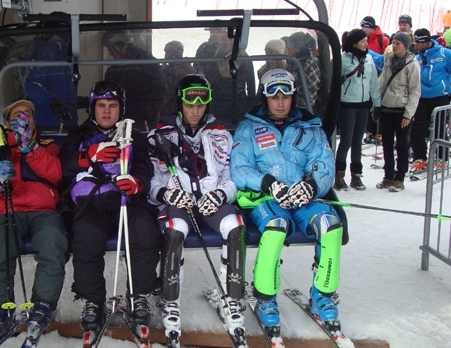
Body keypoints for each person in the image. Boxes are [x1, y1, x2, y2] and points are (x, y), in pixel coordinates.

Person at [229, 69, 342, 327]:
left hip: (302, 198)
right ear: (264, 98)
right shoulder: (249, 128)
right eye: (274, 97)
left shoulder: (310, 127)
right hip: (266, 198)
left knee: (330, 225)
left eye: (286, 97)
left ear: (293, 97)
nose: (280, 103)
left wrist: (311, 186)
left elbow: (324, 164)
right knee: (275, 227)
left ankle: (323, 295)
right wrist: (268, 184)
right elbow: (239, 168)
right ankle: (265, 297)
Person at [147, 74, 246, 334]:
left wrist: (221, 195)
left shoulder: (221, 135)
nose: (195, 110)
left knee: (234, 224)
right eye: (189, 104)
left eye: (201, 104)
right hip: (180, 204)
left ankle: (231, 297)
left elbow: (231, 178)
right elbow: (152, 182)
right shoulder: (160, 135)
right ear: (179, 103)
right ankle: (170, 299)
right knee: (174, 228)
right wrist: (167, 194)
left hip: (210, 203)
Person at [59, 81, 161, 331]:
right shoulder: (79, 135)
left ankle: (139, 294)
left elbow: (145, 169)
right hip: (93, 202)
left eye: (113, 106)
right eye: (101, 105)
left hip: (128, 201)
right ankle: (93, 299)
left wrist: (137, 183)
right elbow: (63, 169)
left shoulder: (133, 135)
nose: (106, 111)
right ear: (92, 108)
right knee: (86, 235)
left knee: (144, 230)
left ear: (121, 109)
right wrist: (88, 156)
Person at [0, 99, 69, 348]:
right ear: (7, 123)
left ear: (33, 121)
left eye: (27, 115)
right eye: (17, 116)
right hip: (8, 210)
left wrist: (30, 147)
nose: (22, 119)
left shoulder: (47, 146)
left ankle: (43, 305)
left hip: (43, 210)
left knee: (52, 242)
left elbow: (56, 174)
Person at [335, 28, 381, 191]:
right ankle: (339, 176)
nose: (366, 44)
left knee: (357, 142)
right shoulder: (343, 59)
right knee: (346, 142)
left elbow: (373, 83)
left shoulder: (369, 59)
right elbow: (335, 83)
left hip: (363, 105)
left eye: (366, 41)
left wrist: (377, 104)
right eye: (363, 41)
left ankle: (356, 175)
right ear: (354, 43)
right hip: (347, 105)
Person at [376, 33, 421, 192]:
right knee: (387, 144)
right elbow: (382, 84)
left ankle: (400, 177)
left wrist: (408, 114)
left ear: (405, 46)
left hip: (402, 110)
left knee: (401, 144)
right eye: (393, 43)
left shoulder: (412, 64)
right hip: (387, 107)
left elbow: (415, 91)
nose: (394, 46)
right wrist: (376, 105)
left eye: (398, 44)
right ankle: (388, 175)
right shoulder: (389, 60)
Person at [102, 31, 169, 131]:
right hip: (145, 121)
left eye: (111, 49)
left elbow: (159, 95)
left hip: (140, 123)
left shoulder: (119, 71)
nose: (111, 54)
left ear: (120, 47)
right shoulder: (148, 62)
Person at [195, 27, 257, 127]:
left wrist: (251, 109)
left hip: (238, 106)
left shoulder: (244, 58)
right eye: (223, 40)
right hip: (216, 105)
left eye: (227, 40)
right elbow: (206, 78)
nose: (224, 43)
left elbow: (251, 85)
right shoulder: (214, 57)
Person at [410, 28, 451, 173]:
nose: (416, 46)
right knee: (418, 127)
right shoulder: (416, 57)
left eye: (418, 43)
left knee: (439, 127)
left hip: (439, 96)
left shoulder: (445, 53)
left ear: (426, 42)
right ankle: (419, 157)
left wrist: (447, 87)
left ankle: (442, 157)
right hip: (421, 97)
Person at [285, 32, 321, 110]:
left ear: (297, 49)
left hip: (303, 106)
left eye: (289, 47)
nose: (287, 50)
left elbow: (296, 88)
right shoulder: (304, 59)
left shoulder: (303, 65)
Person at [161, 40, 195, 113]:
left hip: (173, 110)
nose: (165, 56)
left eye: (167, 53)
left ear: (173, 55)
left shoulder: (177, 72)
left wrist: (164, 71)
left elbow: (168, 91)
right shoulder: (184, 67)